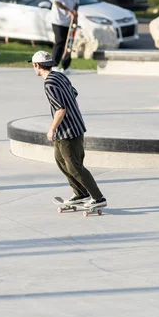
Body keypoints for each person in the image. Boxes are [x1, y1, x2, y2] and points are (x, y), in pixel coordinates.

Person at [29, 50, 107, 209]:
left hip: (68, 132)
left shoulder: (49, 84)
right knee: (61, 161)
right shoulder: (60, 76)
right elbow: (74, 93)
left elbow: (61, 109)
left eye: (33, 65)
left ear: (37, 65)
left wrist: (51, 129)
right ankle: (80, 193)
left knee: (74, 166)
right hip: (74, 127)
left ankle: (98, 197)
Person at [50, 0, 80, 75]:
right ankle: (54, 66)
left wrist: (75, 11)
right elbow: (57, 2)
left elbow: (76, 2)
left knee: (69, 43)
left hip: (70, 21)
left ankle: (66, 66)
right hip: (58, 20)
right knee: (60, 42)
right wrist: (69, 11)